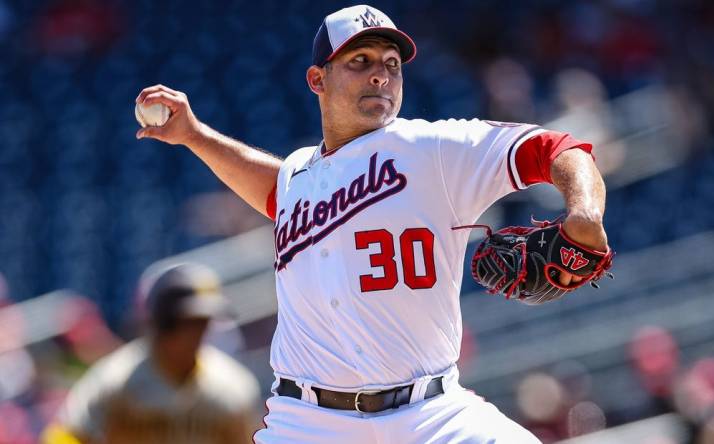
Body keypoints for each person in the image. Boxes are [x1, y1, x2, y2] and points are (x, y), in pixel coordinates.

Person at [133, 5, 609, 443]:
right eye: (360, 61)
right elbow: (274, 190)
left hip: (433, 415)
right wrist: (195, 136)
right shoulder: (300, 174)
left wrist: (584, 213)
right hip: (308, 423)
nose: (381, 75)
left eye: (391, 63)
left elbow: (557, 149)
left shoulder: (435, 148)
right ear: (317, 79)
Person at [42, 263, 262, 444]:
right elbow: (65, 435)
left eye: (202, 322)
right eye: (189, 322)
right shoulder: (116, 380)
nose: (197, 332)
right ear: (161, 321)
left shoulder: (232, 388)